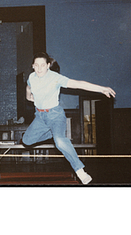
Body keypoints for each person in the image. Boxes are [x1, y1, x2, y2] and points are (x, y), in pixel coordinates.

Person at [23, 52, 116, 185]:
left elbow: (79, 84)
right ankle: (54, 134)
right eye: (36, 65)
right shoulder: (32, 77)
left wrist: (101, 89)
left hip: (55, 115)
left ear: (48, 66)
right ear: (33, 66)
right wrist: (29, 96)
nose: (39, 68)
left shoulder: (55, 78)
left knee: (60, 141)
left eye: (42, 65)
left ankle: (80, 171)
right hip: (40, 116)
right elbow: (28, 86)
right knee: (26, 140)